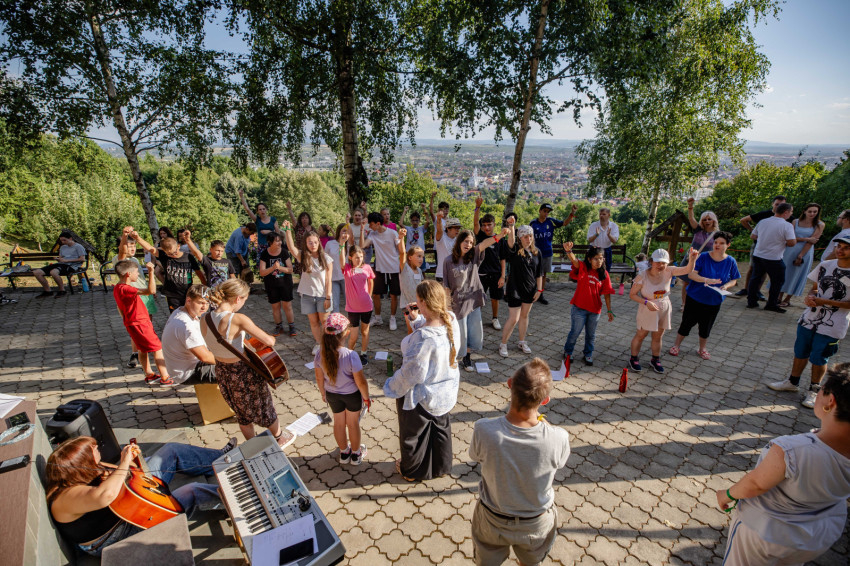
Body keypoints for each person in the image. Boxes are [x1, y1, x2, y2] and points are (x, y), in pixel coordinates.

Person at [716, 364, 850, 565]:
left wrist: (727, 494)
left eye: (820, 388)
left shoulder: (792, 450)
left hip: (768, 533)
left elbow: (755, 484)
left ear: (831, 401)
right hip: (816, 537)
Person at [46, 435, 234, 557]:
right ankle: (239, 496)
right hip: (117, 534)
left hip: (130, 503)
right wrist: (125, 461)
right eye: (93, 449)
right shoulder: (65, 498)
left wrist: (131, 461)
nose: (97, 448)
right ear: (82, 462)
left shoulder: (84, 472)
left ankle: (225, 459)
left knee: (170, 451)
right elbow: (106, 495)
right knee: (192, 491)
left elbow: (127, 473)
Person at [469, 358, 570, 566]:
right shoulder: (558, 437)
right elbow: (560, 462)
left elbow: (475, 456)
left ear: (509, 384)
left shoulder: (484, 429)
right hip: (536, 522)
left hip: (492, 518)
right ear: (545, 400)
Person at [201, 279, 294, 446]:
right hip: (243, 372)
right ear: (237, 298)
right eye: (244, 300)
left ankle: (253, 445)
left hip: (222, 370)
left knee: (241, 412)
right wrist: (271, 337)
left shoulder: (204, 318)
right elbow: (269, 341)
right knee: (264, 406)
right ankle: (279, 438)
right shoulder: (237, 319)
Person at [384, 280, 460, 481]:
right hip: (445, 390)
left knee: (414, 435)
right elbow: (435, 330)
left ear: (424, 303)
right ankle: (441, 467)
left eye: (418, 301)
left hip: (422, 396)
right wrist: (417, 319)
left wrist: (391, 386)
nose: (415, 303)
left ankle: (411, 471)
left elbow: (412, 373)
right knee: (440, 429)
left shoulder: (422, 338)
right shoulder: (451, 319)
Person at [768, 238, 850, 408]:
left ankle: (814, 390)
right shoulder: (826, 265)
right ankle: (792, 382)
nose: (840, 250)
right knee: (801, 351)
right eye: (839, 246)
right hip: (810, 318)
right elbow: (814, 288)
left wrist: (825, 302)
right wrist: (811, 297)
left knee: (819, 356)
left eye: (846, 248)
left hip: (833, 324)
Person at [443, 227, 509, 371]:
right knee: (460, 334)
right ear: (459, 242)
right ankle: (455, 357)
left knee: (473, 334)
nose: (468, 244)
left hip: (473, 301)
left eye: (471, 242)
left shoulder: (473, 256)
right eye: (466, 241)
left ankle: (467, 357)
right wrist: (447, 306)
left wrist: (500, 235)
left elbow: (484, 244)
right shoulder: (448, 261)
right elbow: (446, 286)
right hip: (457, 303)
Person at [668, 232, 740, 360]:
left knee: (706, 326)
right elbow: (691, 274)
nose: (717, 245)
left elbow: (734, 280)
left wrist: (726, 286)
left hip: (714, 300)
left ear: (728, 245)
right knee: (686, 323)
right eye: (716, 242)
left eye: (721, 243)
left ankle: (702, 349)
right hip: (695, 297)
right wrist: (706, 280)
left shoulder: (730, 261)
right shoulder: (704, 256)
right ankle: (676, 345)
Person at [628, 247, 698, 374]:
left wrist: (692, 259)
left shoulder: (670, 270)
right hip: (648, 306)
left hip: (664, 306)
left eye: (663, 262)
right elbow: (632, 294)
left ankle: (655, 359)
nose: (660, 265)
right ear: (651, 261)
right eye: (658, 262)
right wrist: (646, 302)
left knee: (658, 335)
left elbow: (688, 270)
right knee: (641, 334)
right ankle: (634, 358)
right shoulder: (642, 275)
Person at [315, 313, 372, 466]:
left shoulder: (320, 353)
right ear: (346, 333)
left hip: (332, 395)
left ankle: (344, 453)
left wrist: (323, 393)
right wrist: (366, 397)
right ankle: (356, 454)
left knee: (338, 423)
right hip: (351, 395)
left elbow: (319, 378)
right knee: (353, 424)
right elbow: (361, 382)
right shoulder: (351, 355)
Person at [113, 259, 172, 385]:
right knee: (157, 348)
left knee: (142, 349)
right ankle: (165, 377)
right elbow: (151, 291)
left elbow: (119, 307)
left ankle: (149, 374)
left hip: (131, 322)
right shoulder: (127, 289)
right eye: (136, 272)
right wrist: (151, 272)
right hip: (140, 323)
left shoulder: (118, 287)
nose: (138, 274)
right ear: (128, 274)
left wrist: (126, 319)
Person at [282, 220, 333, 354]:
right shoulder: (303, 256)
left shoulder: (327, 258)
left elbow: (328, 280)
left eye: (315, 242)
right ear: (306, 243)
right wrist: (288, 230)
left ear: (319, 242)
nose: (313, 245)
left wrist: (328, 297)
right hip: (307, 295)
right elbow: (291, 247)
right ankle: (319, 344)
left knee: (325, 322)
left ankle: (328, 345)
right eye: (310, 242)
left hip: (323, 295)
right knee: (314, 322)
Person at [561, 243, 615, 368]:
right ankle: (568, 352)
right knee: (575, 332)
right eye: (596, 259)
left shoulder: (604, 274)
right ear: (589, 259)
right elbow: (575, 262)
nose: (598, 261)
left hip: (595, 310)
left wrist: (609, 310)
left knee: (591, 335)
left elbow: (607, 294)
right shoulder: (584, 268)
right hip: (579, 308)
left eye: (601, 258)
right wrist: (569, 251)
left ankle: (588, 354)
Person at [114, 228, 158, 369]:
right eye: (129, 246)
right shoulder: (121, 260)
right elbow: (122, 252)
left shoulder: (134, 260)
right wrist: (124, 236)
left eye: (133, 246)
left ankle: (145, 349)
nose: (132, 248)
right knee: (136, 327)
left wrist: (149, 289)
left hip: (145, 294)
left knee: (147, 324)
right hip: (134, 296)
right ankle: (135, 353)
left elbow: (140, 279)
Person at [499, 222, 543, 357]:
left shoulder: (537, 252)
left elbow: (539, 273)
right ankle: (503, 344)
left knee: (524, 316)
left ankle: (522, 341)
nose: (528, 239)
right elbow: (510, 241)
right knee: (514, 318)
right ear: (520, 238)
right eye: (525, 237)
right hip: (514, 289)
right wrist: (511, 226)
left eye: (530, 236)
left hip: (530, 290)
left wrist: (539, 290)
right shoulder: (515, 251)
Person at [134, 229, 205, 313]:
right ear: (165, 251)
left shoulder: (188, 257)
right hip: (172, 294)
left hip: (187, 292)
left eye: (174, 252)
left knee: (190, 313)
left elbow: (199, 272)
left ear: (178, 246)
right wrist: (137, 238)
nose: (173, 255)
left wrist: (205, 286)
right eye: (170, 254)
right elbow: (150, 248)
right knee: (175, 314)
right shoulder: (164, 256)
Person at [736, 195, 791, 299]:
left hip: (775, 250)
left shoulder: (789, 218)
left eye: (782, 205)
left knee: (764, 271)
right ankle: (747, 289)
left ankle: (757, 291)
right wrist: (753, 231)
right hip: (758, 246)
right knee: (753, 268)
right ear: (772, 204)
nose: (779, 206)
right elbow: (743, 220)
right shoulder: (764, 215)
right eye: (777, 204)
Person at [162, 284, 217, 384]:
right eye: (200, 303)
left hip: (186, 366)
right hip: (188, 372)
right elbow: (205, 357)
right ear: (188, 300)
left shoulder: (180, 311)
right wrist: (231, 360)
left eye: (207, 303)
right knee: (239, 371)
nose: (204, 307)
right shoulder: (186, 326)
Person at [747, 202, 797, 313]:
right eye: (791, 212)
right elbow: (792, 243)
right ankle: (771, 304)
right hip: (774, 257)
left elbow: (753, 236)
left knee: (755, 278)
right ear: (786, 212)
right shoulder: (787, 225)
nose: (791, 214)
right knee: (777, 281)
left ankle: (751, 301)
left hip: (758, 254)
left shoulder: (763, 221)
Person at [360, 212, 401, 330]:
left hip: (393, 268)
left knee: (393, 295)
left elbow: (400, 250)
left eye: (371, 224)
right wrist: (362, 229)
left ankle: (392, 318)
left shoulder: (393, 233)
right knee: (376, 294)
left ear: (378, 223)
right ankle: (378, 318)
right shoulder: (372, 234)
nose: (369, 226)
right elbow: (362, 245)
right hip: (379, 268)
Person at [778, 203, 824, 307]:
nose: (812, 214)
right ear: (804, 211)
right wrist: (806, 238)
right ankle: (779, 297)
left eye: (815, 212)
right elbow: (790, 237)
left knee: (797, 274)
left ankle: (787, 299)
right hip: (790, 250)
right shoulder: (795, 221)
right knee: (784, 273)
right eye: (810, 211)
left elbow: (812, 241)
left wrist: (801, 255)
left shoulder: (820, 224)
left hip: (805, 252)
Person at [530, 202, 576, 304]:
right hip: (535, 253)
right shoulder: (533, 223)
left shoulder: (551, 221)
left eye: (548, 212)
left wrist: (572, 214)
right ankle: (531, 293)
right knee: (534, 274)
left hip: (547, 253)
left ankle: (540, 294)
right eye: (544, 211)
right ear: (540, 211)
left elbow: (564, 223)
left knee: (543, 274)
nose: (546, 213)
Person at [679, 198, 719, 309]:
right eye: (705, 219)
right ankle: (684, 304)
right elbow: (691, 219)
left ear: (714, 220)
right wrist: (690, 206)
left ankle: (698, 304)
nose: (707, 221)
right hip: (692, 260)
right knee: (686, 283)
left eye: (709, 219)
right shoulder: (698, 230)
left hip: (705, 262)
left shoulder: (717, 234)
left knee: (702, 284)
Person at [473, 200, 507, 329]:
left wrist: (503, 276)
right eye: (484, 225)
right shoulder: (480, 236)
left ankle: (495, 318)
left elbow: (503, 259)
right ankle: (476, 319)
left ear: (494, 224)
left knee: (495, 298)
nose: (486, 227)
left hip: (496, 274)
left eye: (489, 225)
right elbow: (475, 223)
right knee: (479, 298)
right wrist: (477, 207)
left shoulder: (500, 239)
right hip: (481, 274)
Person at [341, 245, 375, 364]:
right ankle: (349, 355)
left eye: (361, 257)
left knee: (365, 331)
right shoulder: (347, 268)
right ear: (350, 257)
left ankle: (364, 353)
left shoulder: (367, 267)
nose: (359, 259)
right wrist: (341, 245)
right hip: (352, 308)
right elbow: (341, 260)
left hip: (366, 306)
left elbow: (371, 281)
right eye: (356, 257)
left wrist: (369, 296)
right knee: (353, 336)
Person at [257, 233, 296, 337]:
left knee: (287, 305)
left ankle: (292, 326)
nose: (280, 243)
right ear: (270, 242)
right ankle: (279, 326)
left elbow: (290, 269)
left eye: (280, 240)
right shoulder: (265, 254)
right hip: (271, 285)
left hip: (285, 283)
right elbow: (262, 272)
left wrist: (280, 268)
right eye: (277, 241)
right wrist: (273, 268)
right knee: (275, 306)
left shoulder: (284, 252)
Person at [33, 231, 86, 298]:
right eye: (61, 240)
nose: (63, 242)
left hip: (71, 265)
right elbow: (61, 258)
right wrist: (58, 259)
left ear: (70, 238)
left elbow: (82, 259)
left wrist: (67, 260)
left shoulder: (78, 247)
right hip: (61, 264)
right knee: (37, 272)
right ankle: (48, 291)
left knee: (53, 272)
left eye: (64, 240)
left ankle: (62, 290)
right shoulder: (63, 247)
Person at [396, 229, 425, 334]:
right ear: (410, 257)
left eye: (422, 257)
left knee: (419, 329)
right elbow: (402, 253)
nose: (421, 259)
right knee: (411, 330)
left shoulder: (420, 271)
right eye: (418, 256)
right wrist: (401, 238)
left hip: (419, 304)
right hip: (407, 304)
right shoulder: (404, 268)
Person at [238, 188, 279, 254]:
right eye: (260, 209)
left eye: (263, 209)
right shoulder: (257, 220)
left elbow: (277, 234)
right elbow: (247, 209)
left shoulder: (273, 220)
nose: (262, 211)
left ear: (266, 209)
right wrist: (242, 196)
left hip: (272, 246)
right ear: (257, 212)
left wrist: (270, 232)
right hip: (261, 247)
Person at [325, 223, 350, 314]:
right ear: (339, 231)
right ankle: (335, 321)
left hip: (346, 277)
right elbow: (325, 259)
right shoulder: (330, 243)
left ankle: (352, 320)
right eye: (343, 231)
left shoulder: (350, 244)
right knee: (335, 304)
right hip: (333, 277)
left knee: (349, 302)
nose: (345, 233)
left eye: (347, 231)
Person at [286, 201, 314, 274]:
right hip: (299, 253)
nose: (304, 219)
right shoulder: (298, 227)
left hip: (311, 253)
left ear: (309, 219)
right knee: (302, 273)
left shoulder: (313, 229)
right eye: (302, 218)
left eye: (306, 218)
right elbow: (293, 219)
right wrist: (289, 209)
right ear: (300, 220)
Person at [434, 212, 461, 282]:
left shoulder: (458, 241)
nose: (458, 230)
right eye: (455, 228)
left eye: (459, 228)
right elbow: (439, 230)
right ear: (448, 228)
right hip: (442, 275)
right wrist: (439, 219)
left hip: (455, 274)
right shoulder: (442, 238)